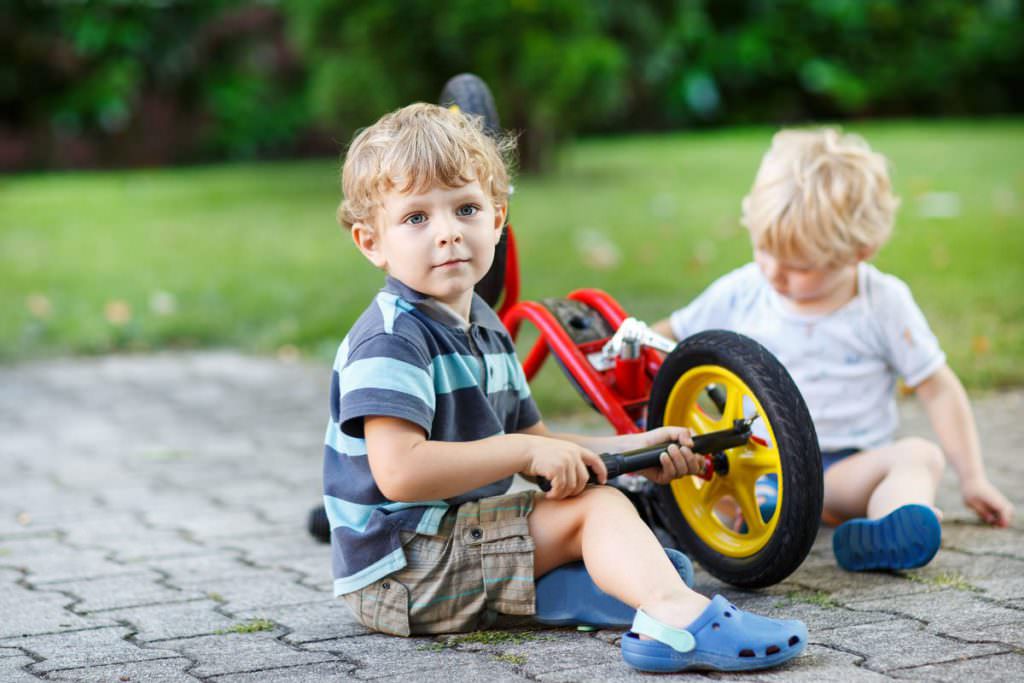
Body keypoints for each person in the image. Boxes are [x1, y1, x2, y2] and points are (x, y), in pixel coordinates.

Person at [322, 102, 806, 673]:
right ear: (371, 241)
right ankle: (676, 620)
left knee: (620, 530)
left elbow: (541, 444)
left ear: (497, 220)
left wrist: (641, 449)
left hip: (441, 549)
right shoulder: (392, 338)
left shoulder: (484, 325)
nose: (449, 233)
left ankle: (570, 594)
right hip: (403, 569)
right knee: (598, 513)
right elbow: (400, 471)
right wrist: (529, 451)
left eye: (466, 208)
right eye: (416, 219)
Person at [652, 128, 1014, 572]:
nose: (773, 272)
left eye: (799, 266)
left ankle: (890, 528)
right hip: (760, 466)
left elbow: (937, 388)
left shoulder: (881, 302)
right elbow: (669, 337)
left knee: (920, 456)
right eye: (763, 249)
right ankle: (728, 522)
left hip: (848, 472)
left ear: (861, 250)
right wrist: (623, 342)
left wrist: (973, 478)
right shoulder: (743, 290)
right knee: (698, 476)